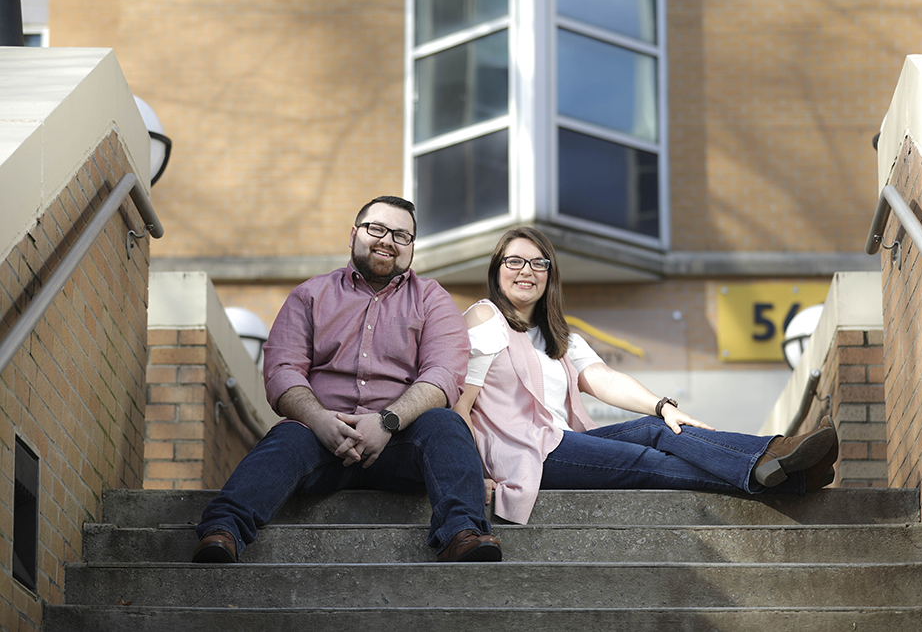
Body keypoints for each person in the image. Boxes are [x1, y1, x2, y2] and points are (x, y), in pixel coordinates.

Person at [453, 227, 839, 525]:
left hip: (561, 445)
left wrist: (662, 406)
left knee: (656, 428)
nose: (527, 271)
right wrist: (472, 474)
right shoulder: (485, 318)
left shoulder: (556, 333)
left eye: (538, 263)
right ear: (497, 270)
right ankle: (781, 467)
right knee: (647, 460)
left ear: (549, 274)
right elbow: (461, 408)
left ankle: (780, 460)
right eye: (514, 262)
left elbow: (603, 377)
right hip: (525, 457)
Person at [192, 196, 501, 562]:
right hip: (320, 440)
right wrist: (320, 420)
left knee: (445, 423)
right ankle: (223, 530)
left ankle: (462, 532)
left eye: (402, 235)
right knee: (288, 436)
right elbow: (281, 371)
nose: (388, 240)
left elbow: (444, 376)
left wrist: (387, 422)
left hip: (402, 444)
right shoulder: (309, 295)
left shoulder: (433, 300)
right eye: (377, 229)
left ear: (411, 247)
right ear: (354, 234)